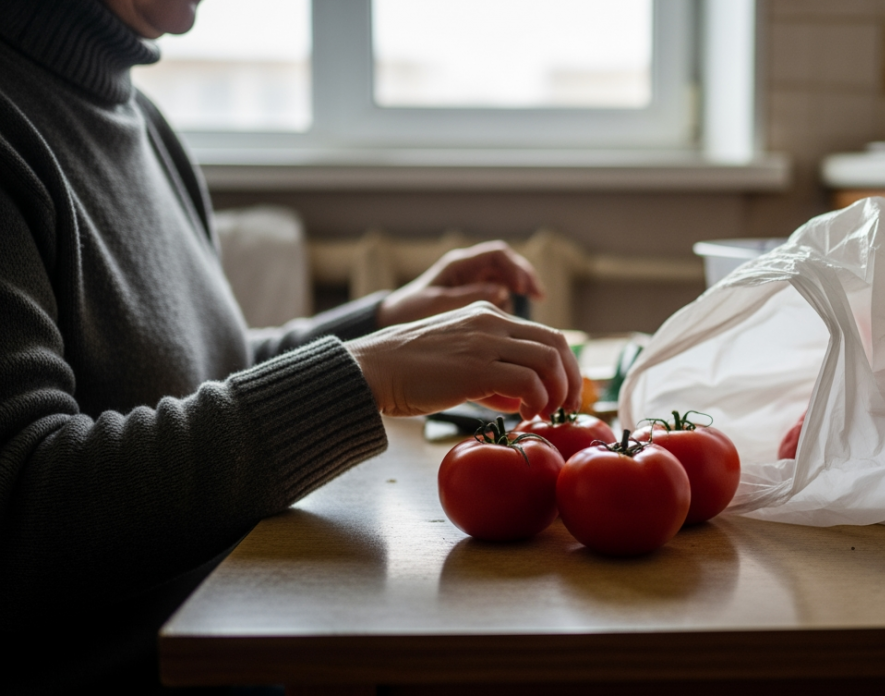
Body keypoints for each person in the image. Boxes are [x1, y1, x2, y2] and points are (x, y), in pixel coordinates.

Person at [0, 0, 582, 691]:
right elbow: (26, 505)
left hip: (239, 624)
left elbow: (195, 373)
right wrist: (363, 376)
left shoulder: (138, 116)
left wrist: (384, 325)